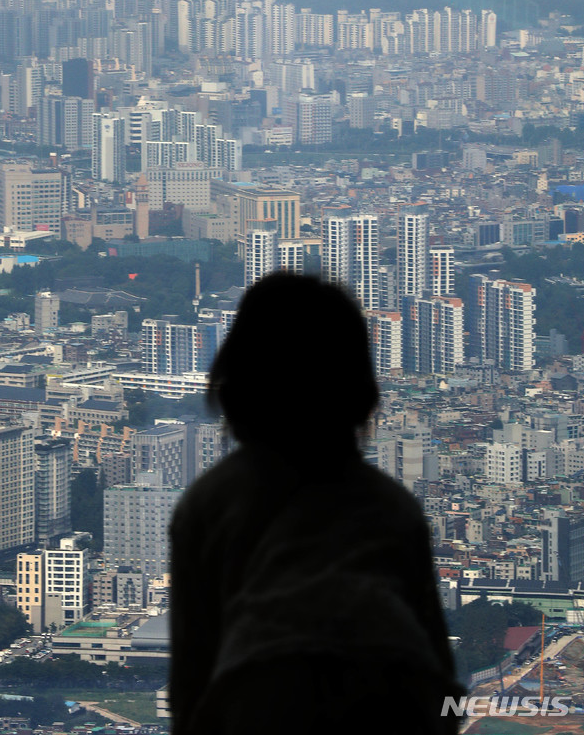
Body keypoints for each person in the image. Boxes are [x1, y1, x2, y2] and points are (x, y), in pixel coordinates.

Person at [169, 273, 461, 734]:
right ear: (359, 393)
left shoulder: (211, 503)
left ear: (233, 385)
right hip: (394, 688)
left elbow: (192, 671)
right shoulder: (391, 506)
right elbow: (439, 667)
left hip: (261, 696)